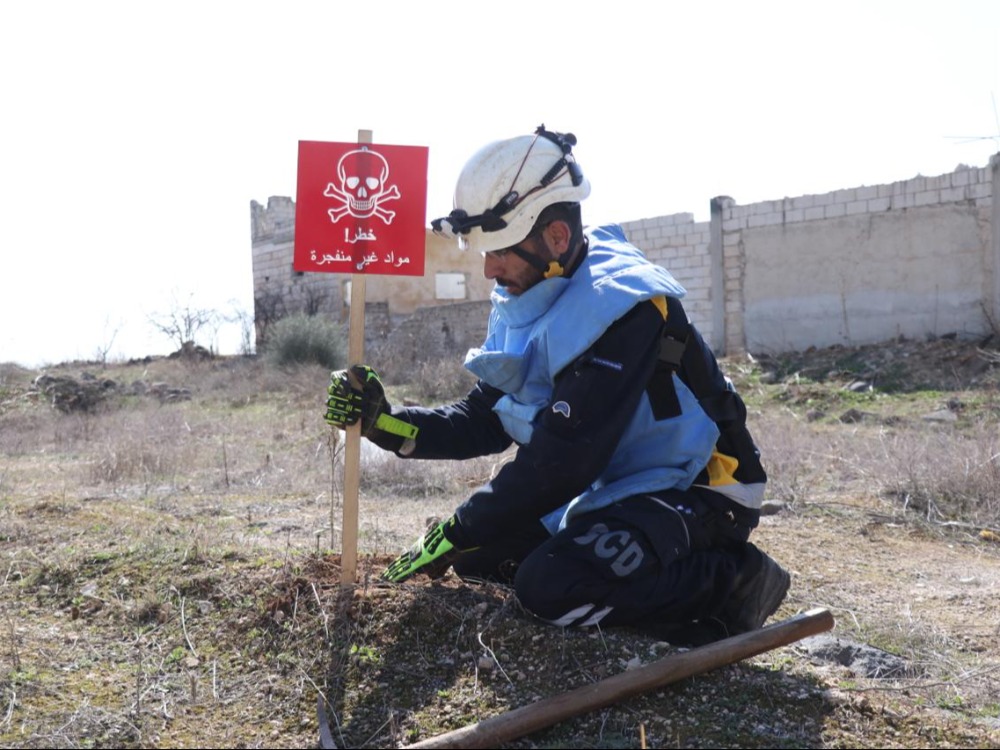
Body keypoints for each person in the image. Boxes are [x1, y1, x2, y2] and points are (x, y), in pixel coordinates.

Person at [324, 124, 789, 645]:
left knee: (549, 587)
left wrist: (457, 525)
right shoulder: (530, 292)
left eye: (498, 250)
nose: (487, 269)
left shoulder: (627, 308)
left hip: (702, 490)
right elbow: (484, 418)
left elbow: (562, 463)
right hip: (624, 484)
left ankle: (733, 581)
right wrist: (383, 422)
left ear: (557, 237)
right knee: (482, 555)